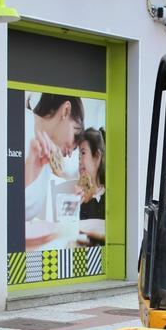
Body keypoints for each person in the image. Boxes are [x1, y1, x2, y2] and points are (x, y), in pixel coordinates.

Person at [23, 94, 85, 225]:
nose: (69, 154)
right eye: (75, 135)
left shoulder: (48, 158)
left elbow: (70, 173)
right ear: (66, 110)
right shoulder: (18, 125)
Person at [75, 127, 107, 247]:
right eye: (78, 157)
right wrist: (76, 202)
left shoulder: (109, 194)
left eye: (83, 153)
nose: (79, 161)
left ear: (97, 157)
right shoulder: (81, 195)